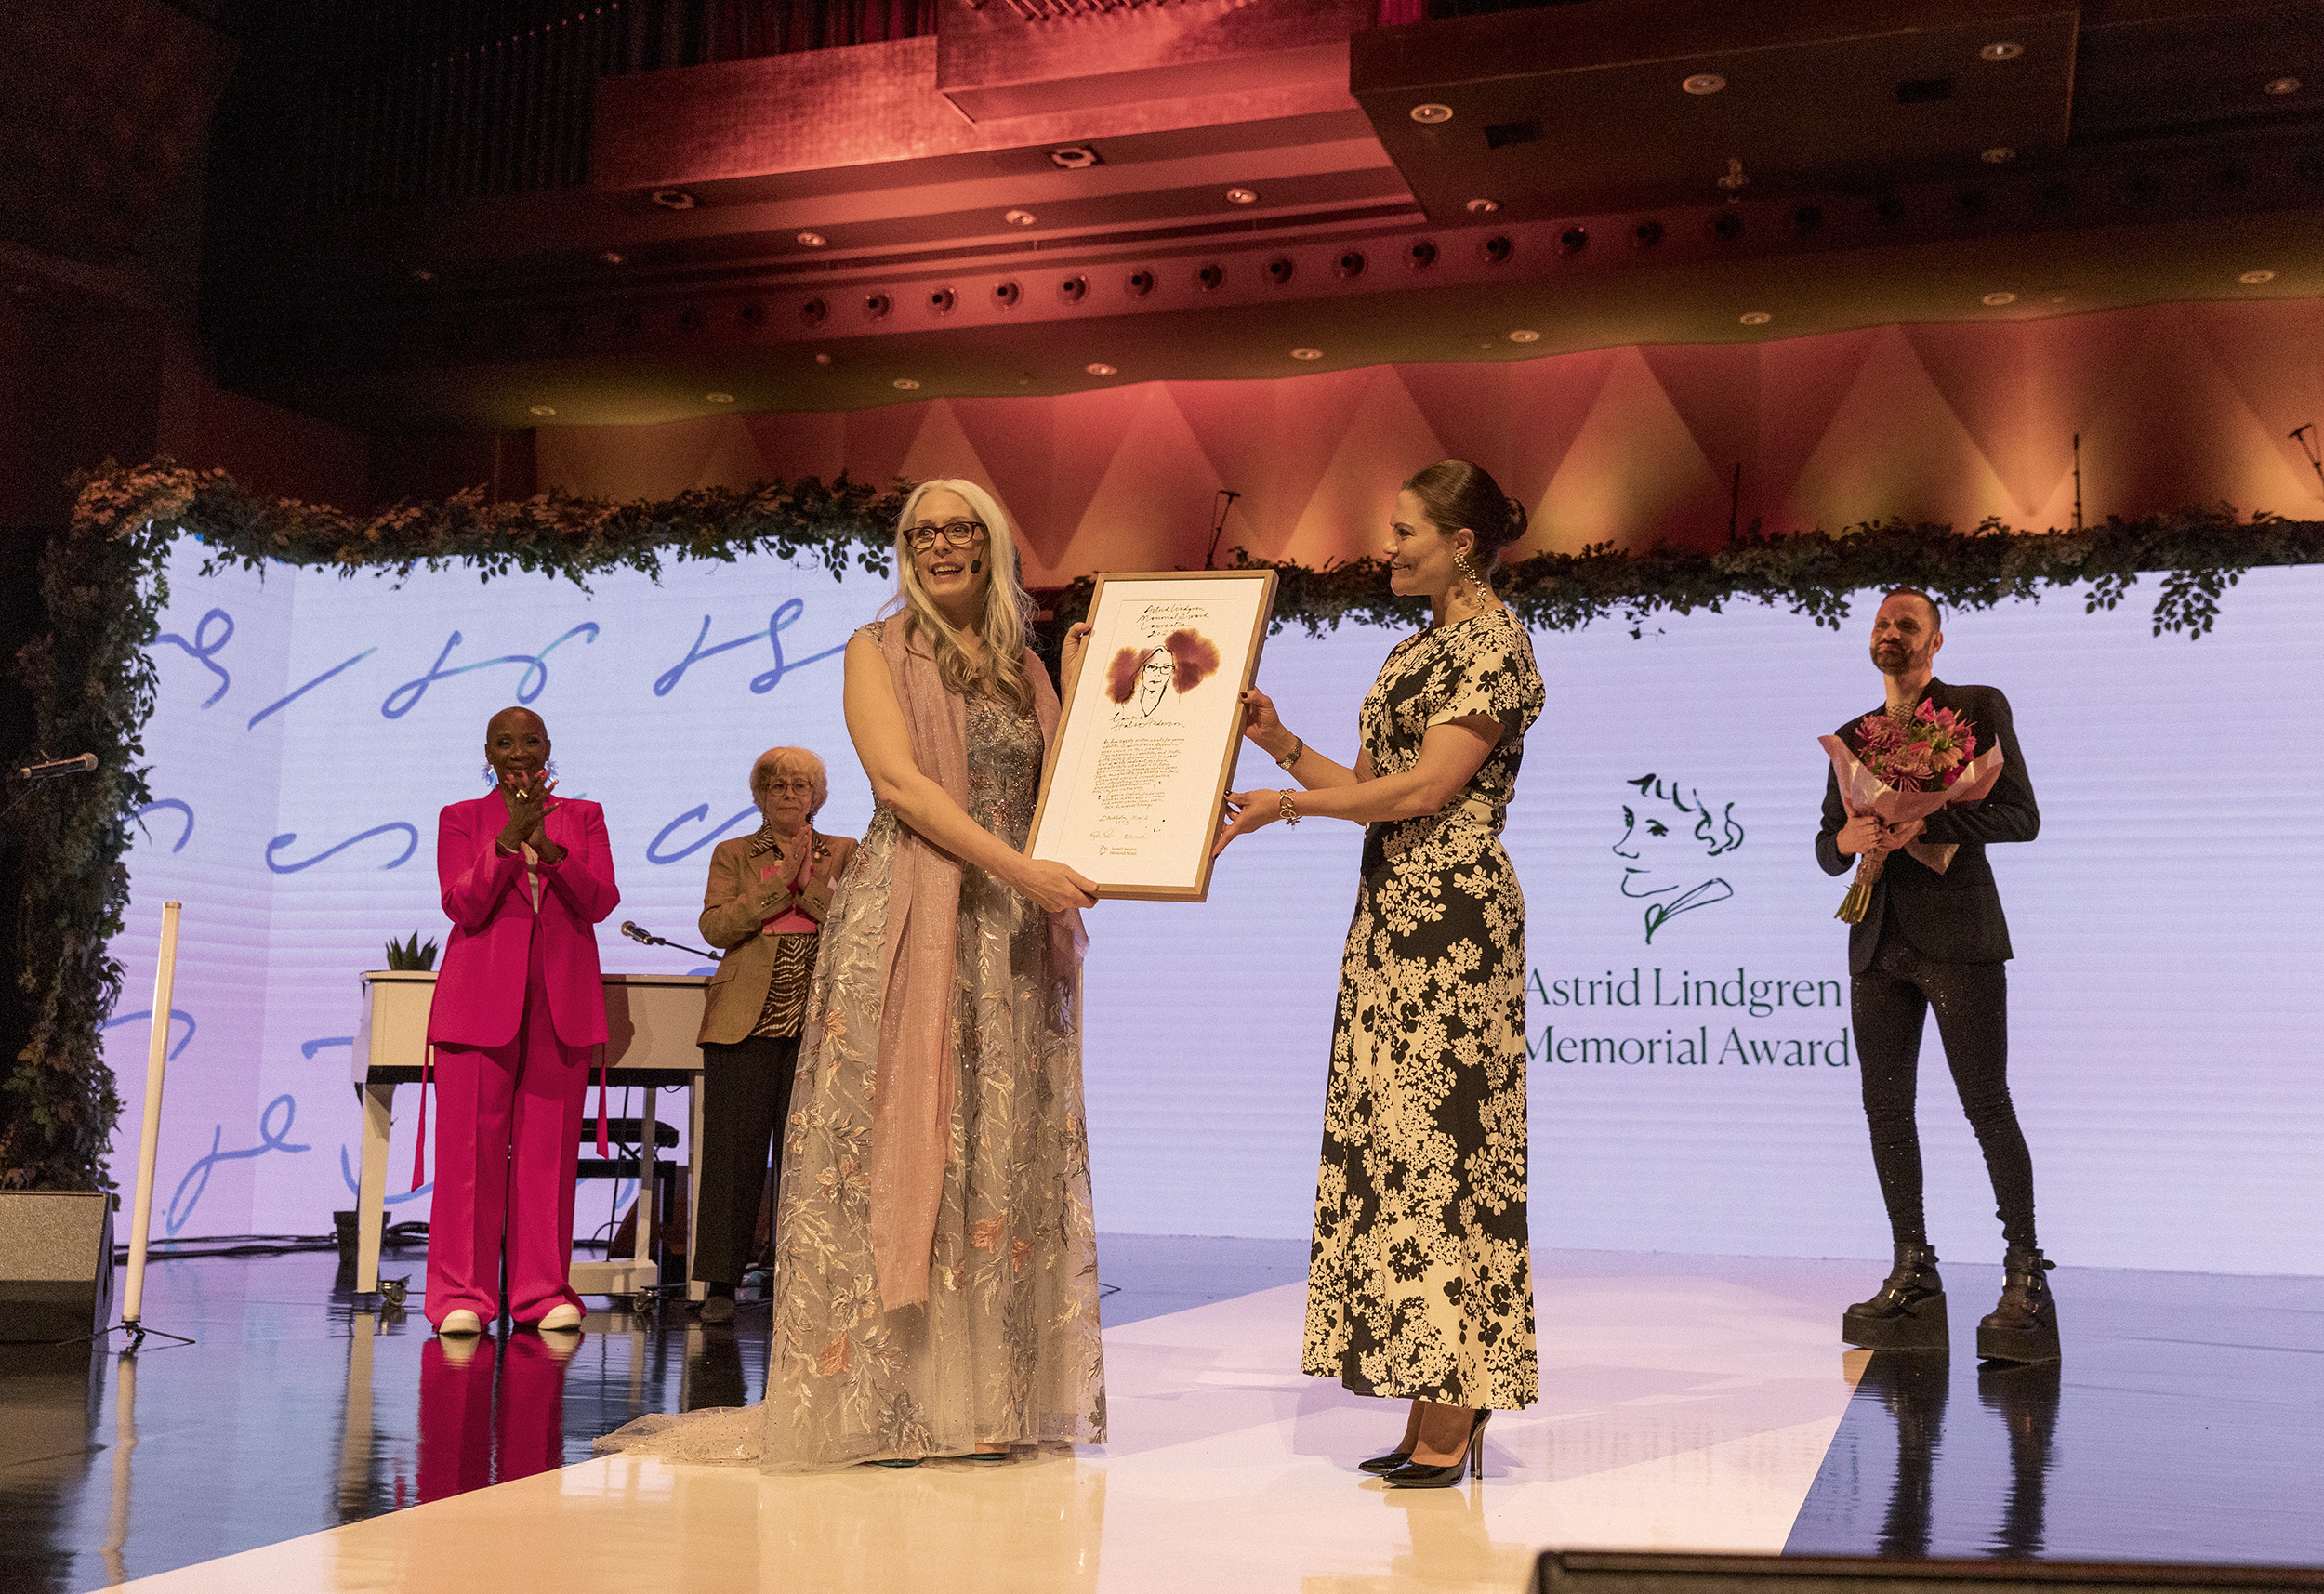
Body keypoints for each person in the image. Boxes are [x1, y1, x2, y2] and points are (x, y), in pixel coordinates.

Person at [597, 478, 1103, 1470]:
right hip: (915, 915)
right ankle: (896, 1398)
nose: (942, 545)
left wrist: (1084, 682)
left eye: (962, 529)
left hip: (1004, 926)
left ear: (992, 543)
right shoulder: (875, 650)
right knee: (912, 1140)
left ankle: (986, 1397)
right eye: (923, 533)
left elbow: (1067, 779)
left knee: (995, 1146)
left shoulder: (1022, 665)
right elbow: (903, 786)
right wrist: (1022, 872)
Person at [1216, 458, 1544, 1487]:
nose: (1390, 544)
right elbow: (1376, 783)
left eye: (1407, 529)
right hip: (1394, 919)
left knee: (1445, 1157)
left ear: (1462, 542)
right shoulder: (1425, 643)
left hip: (1450, 928)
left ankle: (1454, 1402)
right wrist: (1281, 746)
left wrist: (1287, 808)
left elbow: (1430, 789)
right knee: (1397, 1153)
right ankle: (1433, 1398)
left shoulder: (1493, 643)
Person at [1815, 589, 2054, 1363]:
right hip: (1878, 941)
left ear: (1936, 641)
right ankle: (1913, 1271)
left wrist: (1933, 818)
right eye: (1881, 624)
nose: (1890, 634)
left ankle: (2025, 1276)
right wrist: (1847, 837)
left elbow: (2020, 814)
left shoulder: (1977, 709)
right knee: (1886, 1110)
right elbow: (1826, 843)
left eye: (1905, 625)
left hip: (1959, 936)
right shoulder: (1854, 737)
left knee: (1986, 1104)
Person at [423, 706, 620, 1336]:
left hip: (559, 1003)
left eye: (529, 739)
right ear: (487, 750)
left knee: (547, 1156)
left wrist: (549, 845)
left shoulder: (584, 817)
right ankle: (462, 1294)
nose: (517, 751)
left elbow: (599, 900)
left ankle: (540, 1291)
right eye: (503, 741)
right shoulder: (461, 818)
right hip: (477, 1003)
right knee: (467, 1158)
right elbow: (463, 903)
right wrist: (509, 841)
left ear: (547, 747)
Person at [689, 746, 857, 1324]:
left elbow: (857, 922)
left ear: (817, 796)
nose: (789, 795)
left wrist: (805, 887)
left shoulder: (844, 852)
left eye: (800, 786)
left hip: (817, 1018)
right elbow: (714, 926)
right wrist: (773, 890)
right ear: (759, 795)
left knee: (808, 1157)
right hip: (745, 1016)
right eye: (777, 786)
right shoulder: (733, 853)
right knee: (733, 1156)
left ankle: (798, 1275)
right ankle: (719, 1282)